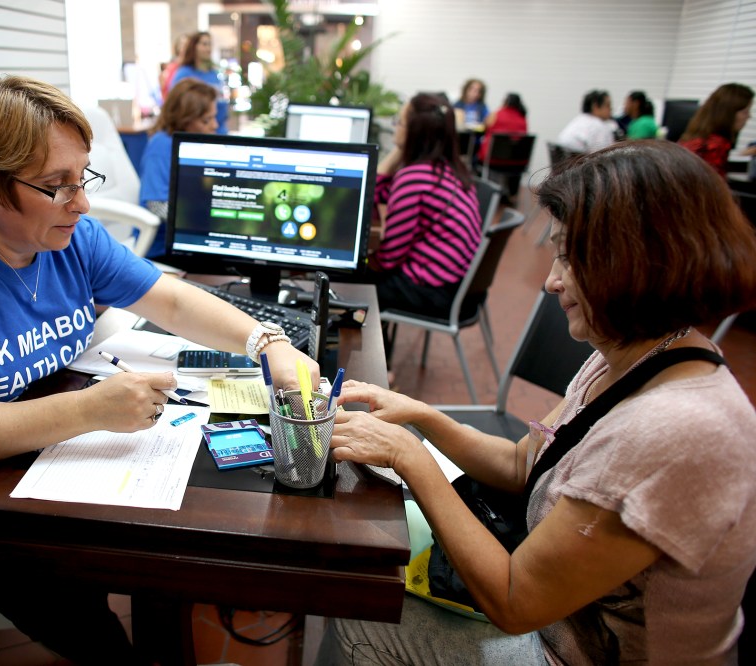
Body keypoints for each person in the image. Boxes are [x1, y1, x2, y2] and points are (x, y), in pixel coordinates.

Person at [0, 75, 318, 665]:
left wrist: (265, 341)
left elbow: (165, 299)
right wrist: (86, 410)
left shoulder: (69, 236)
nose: (83, 204)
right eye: (56, 186)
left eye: (83, 178)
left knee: (148, 540)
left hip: (13, 449)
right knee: (78, 600)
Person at [315, 140, 756, 665]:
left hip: (573, 650)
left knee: (359, 600)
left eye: (568, 258)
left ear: (634, 263)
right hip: (565, 617)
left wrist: (410, 459)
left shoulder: (674, 431)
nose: (550, 281)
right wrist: (419, 414)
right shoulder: (639, 350)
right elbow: (527, 462)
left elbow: (516, 601)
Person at [372, 93, 482, 331]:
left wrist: (362, 262)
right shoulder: (449, 169)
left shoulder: (415, 177)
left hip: (437, 293)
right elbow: (379, 193)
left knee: (350, 279)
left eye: (399, 122)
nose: (394, 127)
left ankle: (380, 364)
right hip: (461, 286)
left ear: (415, 132)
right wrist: (401, 150)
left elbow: (388, 258)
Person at [138, 78, 218, 258]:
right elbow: (156, 205)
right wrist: (205, 218)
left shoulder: (195, 145)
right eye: (207, 120)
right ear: (185, 119)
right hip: (161, 248)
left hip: (190, 240)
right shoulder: (162, 146)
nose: (215, 125)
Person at [679, 82, 755, 177]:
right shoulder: (715, 146)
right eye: (745, 112)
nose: (749, 116)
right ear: (728, 114)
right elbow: (713, 188)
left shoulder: (695, 138)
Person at [169, 31, 228, 134]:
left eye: (210, 44)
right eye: (204, 44)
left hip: (219, 131)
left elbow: (221, 103)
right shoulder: (184, 74)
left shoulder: (214, 74)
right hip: (196, 134)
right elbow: (176, 106)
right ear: (194, 47)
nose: (208, 48)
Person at [476, 92, 528, 164]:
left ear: (505, 102)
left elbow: (484, 128)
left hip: (492, 159)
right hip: (516, 161)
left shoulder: (496, 115)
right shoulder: (523, 119)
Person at [159, 33, 189, 101]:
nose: (185, 48)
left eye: (187, 45)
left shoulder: (194, 67)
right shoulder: (171, 68)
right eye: (183, 45)